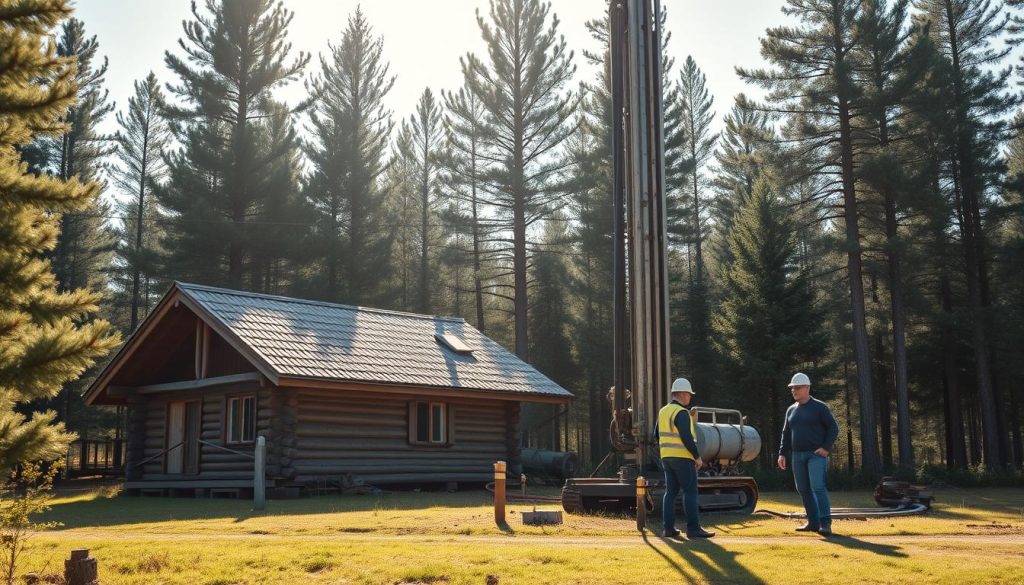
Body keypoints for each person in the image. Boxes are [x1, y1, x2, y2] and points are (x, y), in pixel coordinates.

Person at [777, 372, 840, 536]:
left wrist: (826, 448)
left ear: (807, 388)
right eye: (792, 388)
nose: (794, 391)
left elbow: (833, 428)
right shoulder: (791, 410)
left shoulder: (819, 407)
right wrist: (782, 454)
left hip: (816, 455)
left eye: (797, 388)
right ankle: (813, 523)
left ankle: (825, 523)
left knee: (818, 487)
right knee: (803, 489)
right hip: (797, 456)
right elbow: (786, 433)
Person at [656, 377, 715, 539]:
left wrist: (666, 449)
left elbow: (656, 434)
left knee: (670, 493)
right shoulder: (682, 413)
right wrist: (697, 457)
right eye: (689, 394)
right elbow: (687, 438)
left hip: (666, 458)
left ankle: (668, 529)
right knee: (690, 492)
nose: (690, 397)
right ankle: (693, 529)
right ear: (681, 394)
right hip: (683, 457)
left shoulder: (663, 411)